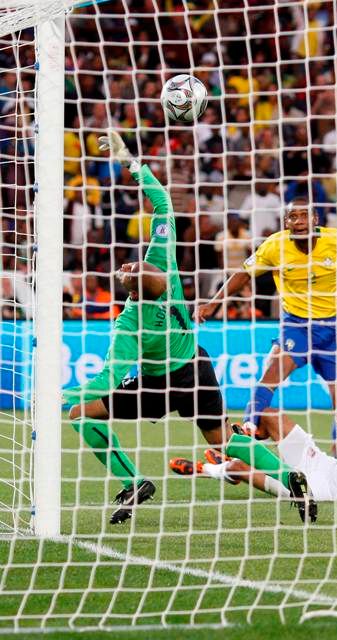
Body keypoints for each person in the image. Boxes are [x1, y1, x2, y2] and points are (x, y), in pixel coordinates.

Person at [64, 130, 229, 525]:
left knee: (80, 412)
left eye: (128, 273)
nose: (126, 268)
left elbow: (109, 375)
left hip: (160, 383)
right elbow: (163, 203)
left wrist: (60, 392)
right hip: (194, 366)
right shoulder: (163, 263)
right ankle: (285, 476)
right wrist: (129, 161)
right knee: (223, 440)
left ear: (134, 288)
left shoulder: (130, 322)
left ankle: (134, 480)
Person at [195, 198, 337, 442]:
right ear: (286, 222)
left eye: (304, 215)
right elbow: (243, 274)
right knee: (271, 373)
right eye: (293, 217)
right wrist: (213, 303)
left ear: (315, 219)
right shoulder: (274, 246)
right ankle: (246, 432)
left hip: (335, 328)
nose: (299, 221)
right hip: (296, 325)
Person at [170, 406, 337, 522]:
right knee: (270, 415)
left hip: (318, 490)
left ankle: (208, 469)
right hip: (322, 463)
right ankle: (248, 446)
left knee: (239, 469)